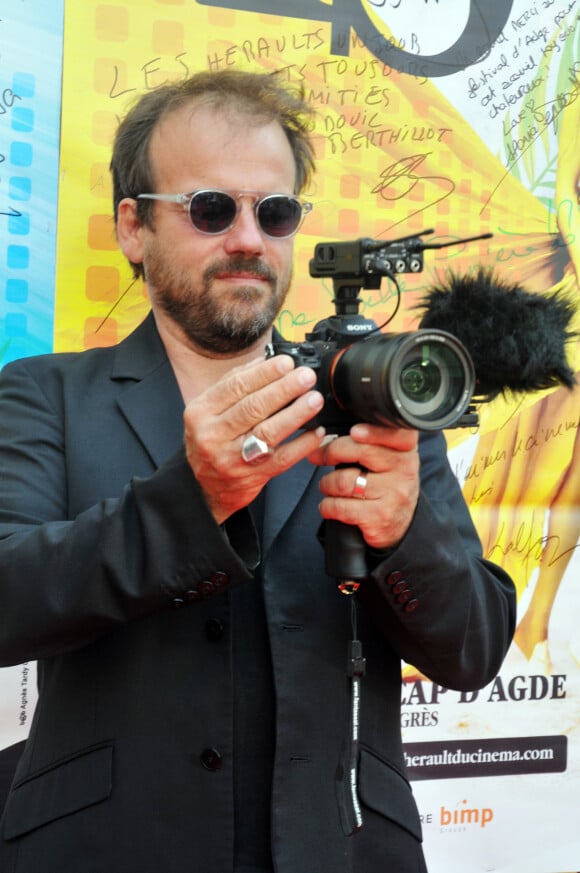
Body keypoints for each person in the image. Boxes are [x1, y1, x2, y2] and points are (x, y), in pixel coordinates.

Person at [0, 69, 516, 873]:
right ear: (133, 228)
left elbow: (474, 648)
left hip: (342, 848)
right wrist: (190, 499)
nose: (248, 238)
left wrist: (401, 534)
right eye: (211, 209)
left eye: (274, 213)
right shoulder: (43, 395)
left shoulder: (377, 399)